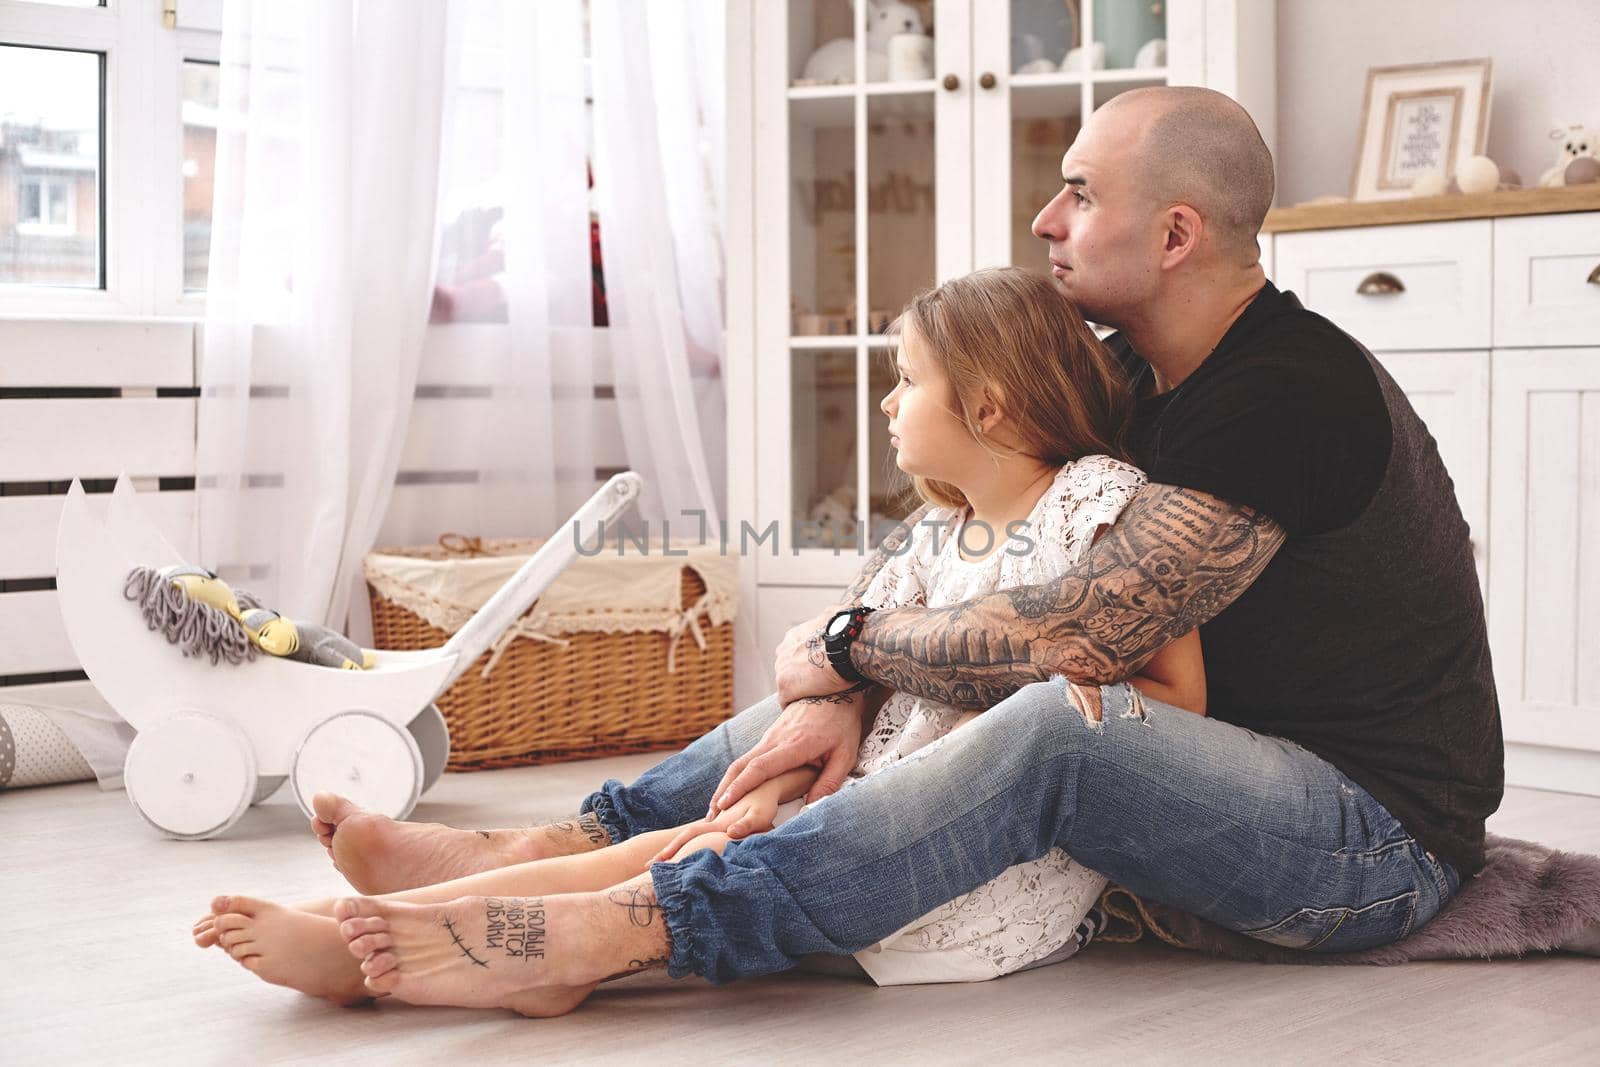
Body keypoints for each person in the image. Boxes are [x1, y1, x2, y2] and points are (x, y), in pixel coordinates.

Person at [206, 84, 1502, 1014]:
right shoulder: (1135, 376)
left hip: (1370, 839)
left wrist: (849, 648)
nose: (1045, 217)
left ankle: (623, 924)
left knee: (1057, 722)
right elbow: (981, 573)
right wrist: (847, 676)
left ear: (1176, 235)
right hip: (1239, 777)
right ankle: (537, 852)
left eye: (1080, 192)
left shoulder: (1287, 391)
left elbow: (1074, 634)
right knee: (892, 668)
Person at [195, 266, 1208, 1000]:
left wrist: (1074, 707)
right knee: (699, 835)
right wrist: (777, 773)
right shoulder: (940, 531)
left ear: (986, 403)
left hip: (971, 862)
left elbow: (1179, 694)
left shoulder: (1096, 504)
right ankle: (417, 927)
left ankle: (424, 935)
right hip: (863, 805)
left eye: (907, 380)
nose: (889, 401)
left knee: (694, 851)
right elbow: (822, 663)